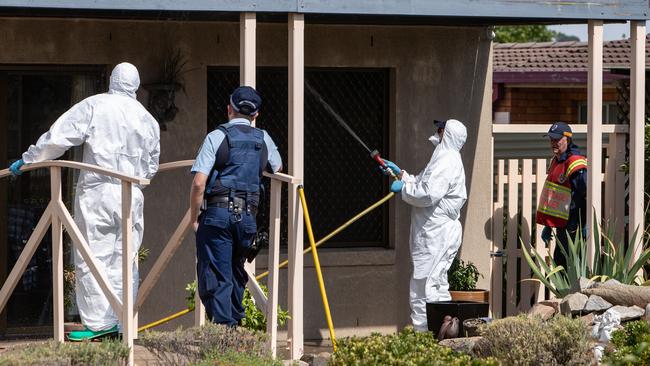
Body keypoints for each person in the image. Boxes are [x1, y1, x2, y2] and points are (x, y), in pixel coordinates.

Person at [8, 62, 160, 341]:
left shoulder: (96, 105)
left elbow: (58, 138)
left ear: (112, 81)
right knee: (126, 259)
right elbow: (151, 166)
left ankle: (99, 326)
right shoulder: (148, 119)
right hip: (133, 192)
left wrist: (28, 160)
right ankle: (123, 324)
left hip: (98, 191)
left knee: (93, 257)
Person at [190, 86, 282, 326]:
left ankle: (224, 335)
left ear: (229, 109)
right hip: (248, 218)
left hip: (217, 215)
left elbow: (199, 183)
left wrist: (194, 218)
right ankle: (235, 329)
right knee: (235, 272)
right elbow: (277, 168)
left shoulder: (216, 136)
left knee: (216, 274)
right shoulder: (264, 138)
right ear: (256, 115)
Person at [380, 118, 467, 332]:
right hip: (435, 233)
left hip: (436, 234)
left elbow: (428, 194)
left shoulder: (446, 159)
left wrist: (404, 189)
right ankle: (440, 335)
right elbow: (424, 182)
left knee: (424, 287)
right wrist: (402, 175)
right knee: (434, 285)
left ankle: (424, 337)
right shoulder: (444, 158)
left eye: (440, 130)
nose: (437, 133)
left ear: (446, 135)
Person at [536, 122, 587, 268]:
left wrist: (585, 223)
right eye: (551, 139)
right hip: (561, 226)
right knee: (560, 265)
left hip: (574, 227)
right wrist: (549, 224)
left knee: (570, 268)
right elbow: (554, 195)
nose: (553, 143)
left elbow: (583, 196)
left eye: (557, 139)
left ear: (568, 139)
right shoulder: (556, 162)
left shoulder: (576, 163)